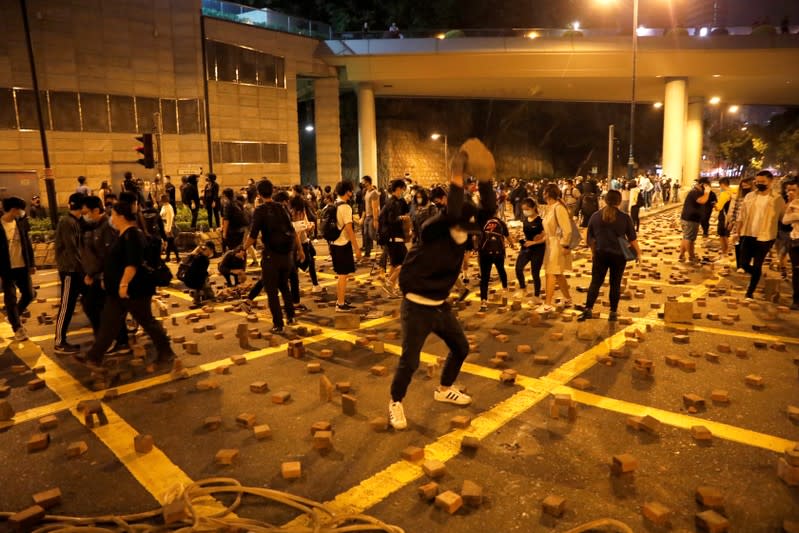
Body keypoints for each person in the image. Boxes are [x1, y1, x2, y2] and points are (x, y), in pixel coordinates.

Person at [387, 152, 496, 430]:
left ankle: (444, 388)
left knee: (461, 347)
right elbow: (452, 208)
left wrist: (485, 177)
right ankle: (395, 402)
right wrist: (458, 169)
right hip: (416, 304)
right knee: (410, 361)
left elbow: (489, 210)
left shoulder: (464, 233)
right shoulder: (434, 227)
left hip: (439, 304)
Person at [78, 198, 175, 372]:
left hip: (133, 290)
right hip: (119, 291)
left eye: (113, 214)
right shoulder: (124, 234)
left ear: (121, 216)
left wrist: (123, 285)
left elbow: (133, 263)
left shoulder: (132, 235)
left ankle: (166, 352)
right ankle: (94, 357)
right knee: (109, 322)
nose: (111, 218)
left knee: (147, 321)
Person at [243, 179, 304, 333]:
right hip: (287, 256)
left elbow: (253, 236)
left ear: (258, 194)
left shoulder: (260, 210)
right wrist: (299, 250)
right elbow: (292, 230)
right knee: (284, 286)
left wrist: (242, 249)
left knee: (272, 292)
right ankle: (291, 316)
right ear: (273, 191)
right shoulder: (282, 208)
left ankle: (278, 324)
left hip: (271, 257)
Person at [577, 190, 642, 322]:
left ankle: (588, 309)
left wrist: (593, 251)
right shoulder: (624, 217)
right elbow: (632, 239)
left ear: (605, 200)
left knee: (595, 282)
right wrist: (639, 253)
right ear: (619, 201)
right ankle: (613, 312)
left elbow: (588, 238)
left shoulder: (596, 216)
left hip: (600, 253)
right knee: (615, 283)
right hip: (618, 256)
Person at [81, 195, 130, 353]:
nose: (85, 215)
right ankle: (111, 341)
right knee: (104, 308)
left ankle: (113, 341)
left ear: (96, 210)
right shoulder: (96, 226)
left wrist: (102, 275)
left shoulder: (107, 227)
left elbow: (109, 255)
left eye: (87, 212)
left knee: (98, 307)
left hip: (107, 276)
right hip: (100, 275)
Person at [736, 170, 785, 301]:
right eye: (757, 182)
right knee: (743, 264)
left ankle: (749, 292)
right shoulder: (750, 196)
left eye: (762, 182)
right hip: (748, 233)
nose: (759, 184)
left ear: (770, 181)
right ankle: (757, 275)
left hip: (766, 236)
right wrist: (737, 232)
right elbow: (741, 215)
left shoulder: (777, 199)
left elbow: (784, 218)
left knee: (757, 264)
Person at [54, 193, 87, 354]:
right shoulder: (67, 222)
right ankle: (59, 342)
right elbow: (72, 249)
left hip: (77, 269)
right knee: (67, 305)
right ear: (82, 207)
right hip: (70, 270)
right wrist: (83, 270)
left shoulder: (77, 221)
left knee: (89, 302)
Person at [0, 197, 35, 341]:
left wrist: (31, 264)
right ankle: (17, 327)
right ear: (14, 209)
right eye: (21, 209)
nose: (22, 212)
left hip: (22, 265)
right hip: (6, 267)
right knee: (11, 298)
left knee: (29, 294)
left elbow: (27, 244)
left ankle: (13, 315)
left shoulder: (20, 223)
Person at [536, 184, 574, 313]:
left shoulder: (558, 208)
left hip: (558, 244)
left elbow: (567, 229)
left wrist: (565, 244)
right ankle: (568, 299)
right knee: (557, 274)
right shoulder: (550, 207)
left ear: (547, 193)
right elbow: (548, 226)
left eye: (544, 191)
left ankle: (547, 304)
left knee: (550, 273)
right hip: (550, 243)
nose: (542, 193)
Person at [327, 180, 361, 312]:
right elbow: (349, 230)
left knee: (341, 274)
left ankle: (340, 300)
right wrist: (357, 248)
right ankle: (340, 304)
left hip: (334, 244)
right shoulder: (345, 207)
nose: (352, 192)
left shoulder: (335, 204)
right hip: (343, 244)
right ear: (347, 191)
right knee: (342, 275)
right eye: (351, 190)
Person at [378, 179, 410, 297]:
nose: (403, 191)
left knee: (394, 264)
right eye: (402, 189)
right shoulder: (393, 203)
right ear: (398, 188)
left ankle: (390, 289)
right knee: (405, 263)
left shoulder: (391, 201)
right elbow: (392, 220)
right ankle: (389, 283)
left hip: (392, 238)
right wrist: (402, 218)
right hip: (395, 237)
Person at [289, 194, 320, 294]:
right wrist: (299, 249)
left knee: (309, 262)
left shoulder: (301, 211)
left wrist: (310, 227)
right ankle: (297, 286)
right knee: (296, 265)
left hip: (304, 241)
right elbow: (295, 232)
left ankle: (314, 284)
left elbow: (305, 228)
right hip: (297, 244)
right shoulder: (292, 214)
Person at [515, 198, 546, 298]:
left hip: (538, 249)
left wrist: (534, 242)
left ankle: (536, 296)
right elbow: (526, 233)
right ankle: (523, 289)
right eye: (523, 209)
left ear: (533, 208)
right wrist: (519, 238)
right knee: (518, 268)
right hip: (526, 248)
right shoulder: (525, 220)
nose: (525, 211)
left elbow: (546, 237)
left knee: (535, 273)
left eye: (527, 209)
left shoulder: (541, 221)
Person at [679, 177, 712, 263]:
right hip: (691, 219)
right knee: (690, 239)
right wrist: (707, 192)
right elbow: (702, 201)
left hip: (688, 218)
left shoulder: (695, 191)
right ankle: (692, 257)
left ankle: (681, 255)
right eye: (707, 186)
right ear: (703, 185)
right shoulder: (695, 192)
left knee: (686, 237)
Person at [727, 177, 753, 270]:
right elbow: (734, 210)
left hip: (749, 227)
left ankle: (745, 264)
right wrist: (731, 222)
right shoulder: (738, 197)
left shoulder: (753, 198)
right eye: (743, 186)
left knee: (747, 246)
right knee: (737, 245)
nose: (745, 188)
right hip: (737, 225)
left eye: (747, 186)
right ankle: (740, 265)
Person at [179, 242, 216, 306]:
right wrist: (208, 274)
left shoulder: (197, 255)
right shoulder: (204, 259)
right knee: (205, 279)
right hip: (194, 282)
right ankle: (197, 294)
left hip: (186, 279)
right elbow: (201, 275)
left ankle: (198, 293)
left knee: (204, 278)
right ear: (211, 250)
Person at [782, 179, 799, 310]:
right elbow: (785, 220)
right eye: (789, 190)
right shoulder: (793, 203)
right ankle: (796, 300)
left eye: (794, 190)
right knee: (796, 271)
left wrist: (795, 215)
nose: (790, 193)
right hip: (796, 239)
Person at [361, 176, 379, 257]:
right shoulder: (366, 192)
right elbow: (365, 206)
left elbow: (375, 208)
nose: (362, 183)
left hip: (372, 217)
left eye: (363, 182)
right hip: (367, 217)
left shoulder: (374, 193)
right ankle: (367, 253)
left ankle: (385, 246)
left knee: (373, 234)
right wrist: (362, 217)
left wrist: (375, 220)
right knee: (366, 235)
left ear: (368, 182)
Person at [159, 193, 179, 262]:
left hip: (168, 227)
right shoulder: (164, 207)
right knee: (170, 243)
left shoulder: (169, 207)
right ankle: (170, 257)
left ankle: (175, 257)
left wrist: (168, 229)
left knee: (171, 243)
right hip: (164, 226)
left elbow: (169, 219)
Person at [715, 177, 732, 255]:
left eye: (720, 185)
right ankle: (726, 252)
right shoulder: (733, 192)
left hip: (724, 216)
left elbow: (719, 207)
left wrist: (714, 205)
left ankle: (725, 252)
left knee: (722, 235)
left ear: (722, 184)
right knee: (726, 234)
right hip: (730, 216)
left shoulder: (724, 193)